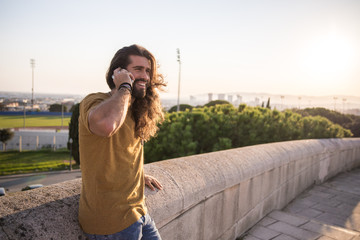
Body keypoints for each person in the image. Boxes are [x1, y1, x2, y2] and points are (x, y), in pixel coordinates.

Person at [78, 44, 166, 240]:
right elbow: (108, 126)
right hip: (111, 223)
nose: (145, 76)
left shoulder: (136, 111)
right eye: (138, 69)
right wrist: (124, 86)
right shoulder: (94, 101)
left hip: (139, 212)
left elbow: (122, 152)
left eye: (148, 70)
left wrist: (138, 174)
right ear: (119, 72)